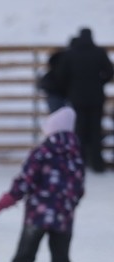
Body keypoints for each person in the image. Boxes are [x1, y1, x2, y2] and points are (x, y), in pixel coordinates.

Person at [0, 106, 86, 262]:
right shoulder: (76, 158)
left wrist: (2, 204)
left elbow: (24, 183)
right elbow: (79, 190)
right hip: (63, 222)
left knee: (23, 260)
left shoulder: (42, 153)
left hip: (37, 219)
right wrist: (66, 208)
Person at [54, 27, 113, 173]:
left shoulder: (71, 54)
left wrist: (69, 88)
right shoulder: (99, 52)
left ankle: (80, 162)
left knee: (79, 130)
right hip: (96, 97)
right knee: (95, 130)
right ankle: (97, 164)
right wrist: (101, 82)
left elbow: (61, 75)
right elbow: (110, 72)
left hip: (77, 98)